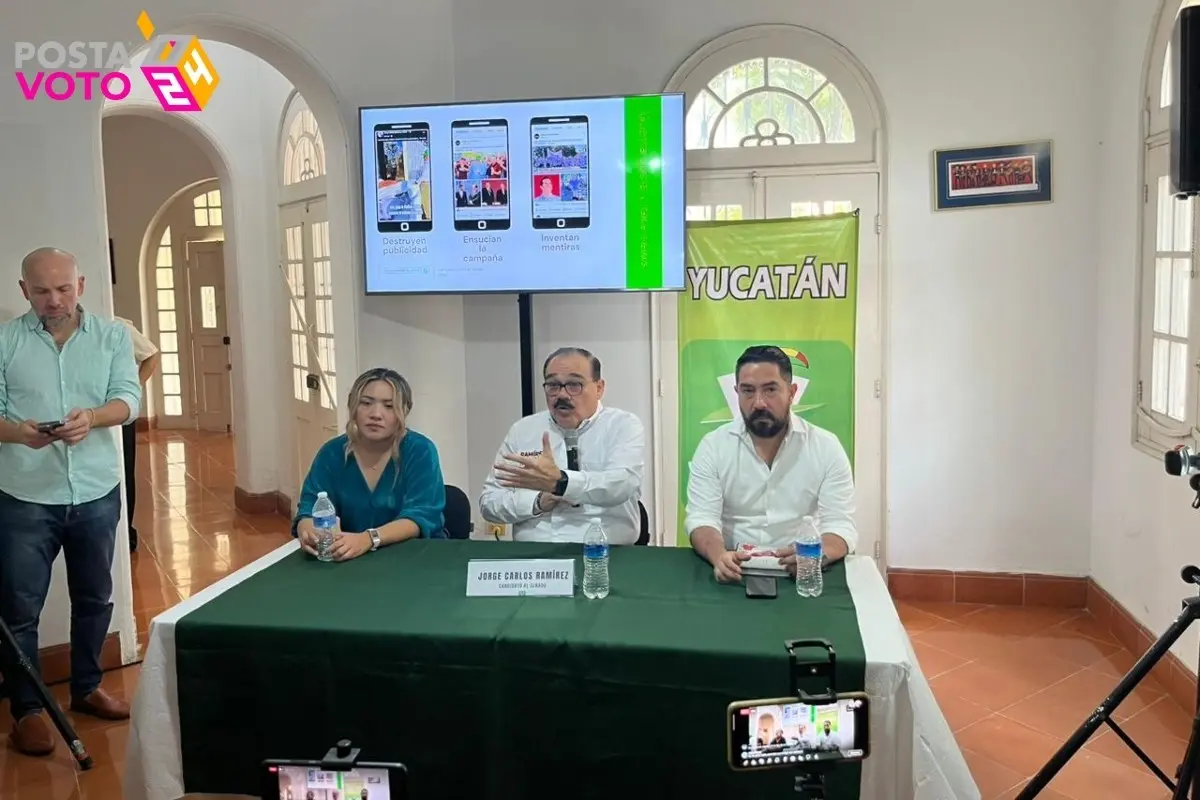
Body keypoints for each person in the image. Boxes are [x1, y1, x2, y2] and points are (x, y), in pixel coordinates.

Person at [0, 247, 142, 756]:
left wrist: (93, 419)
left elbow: (130, 398)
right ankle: (29, 712)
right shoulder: (4, 341)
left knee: (94, 598)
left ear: (80, 285)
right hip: (24, 497)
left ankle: (86, 687)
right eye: (41, 291)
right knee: (19, 608)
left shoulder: (110, 337)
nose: (54, 300)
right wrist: (17, 433)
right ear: (24, 291)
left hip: (95, 490)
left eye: (63, 289)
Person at [685, 345, 857, 583]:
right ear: (736, 392)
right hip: (734, 570)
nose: (758, 403)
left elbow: (841, 525)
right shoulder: (713, 446)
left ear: (792, 392)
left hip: (801, 570)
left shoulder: (825, 447)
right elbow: (701, 518)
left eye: (770, 390)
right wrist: (719, 556)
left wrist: (817, 555)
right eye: (747, 391)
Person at [480, 347, 645, 544]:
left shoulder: (622, 425)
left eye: (574, 385)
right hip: (534, 556)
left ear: (599, 388)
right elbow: (489, 503)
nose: (562, 395)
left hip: (605, 553)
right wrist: (537, 502)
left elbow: (622, 484)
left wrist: (562, 483)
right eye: (553, 385)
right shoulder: (523, 430)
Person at [293, 367, 447, 559]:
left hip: (415, 558)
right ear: (353, 407)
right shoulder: (332, 453)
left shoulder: (420, 450)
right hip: (349, 560)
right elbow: (309, 507)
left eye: (389, 406)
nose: (375, 414)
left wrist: (368, 539)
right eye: (366, 403)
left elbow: (421, 515)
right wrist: (307, 529)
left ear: (404, 411)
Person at [114, 316, 159, 553]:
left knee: (125, 471)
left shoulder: (119, 325)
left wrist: (134, 387)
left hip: (120, 414)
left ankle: (126, 532)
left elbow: (151, 354)